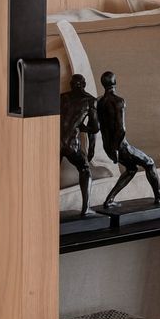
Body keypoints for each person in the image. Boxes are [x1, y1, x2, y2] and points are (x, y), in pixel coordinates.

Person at [96, 70, 160, 209]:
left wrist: (111, 149)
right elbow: (121, 129)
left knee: (131, 169)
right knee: (149, 163)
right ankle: (159, 197)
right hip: (120, 146)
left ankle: (109, 199)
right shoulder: (118, 101)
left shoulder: (99, 102)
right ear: (115, 83)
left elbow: (100, 125)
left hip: (108, 146)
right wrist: (117, 148)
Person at [59, 74, 99, 219]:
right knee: (85, 168)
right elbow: (95, 128)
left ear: (70, 84)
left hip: (55, 141)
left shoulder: (62, 97)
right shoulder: (90, 101)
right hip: (71, 143)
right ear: (84, 84)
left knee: (49, 174)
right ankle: (86, 208)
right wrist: (83, 128)